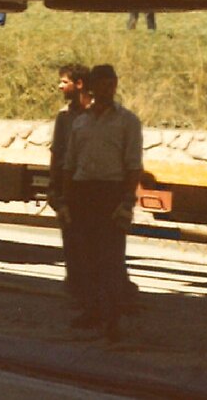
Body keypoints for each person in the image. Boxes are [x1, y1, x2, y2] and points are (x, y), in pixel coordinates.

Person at [61, 64, 143, 339]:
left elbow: (133, 165)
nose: (109, 90)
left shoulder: (127, 122)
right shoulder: (80, 122)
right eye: (103, 85)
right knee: (86, 256)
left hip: (111, 192)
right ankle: (92, 310)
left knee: (111, 257)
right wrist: (64, 199)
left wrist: (127, 201)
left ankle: (113, 318)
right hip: (84, 193)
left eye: (113, 84)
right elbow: (69, 164)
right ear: (92, 86)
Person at [48, 64, 90, 304]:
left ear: (79, 84)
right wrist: (53, 186)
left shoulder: (96, 115)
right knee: (71, 238)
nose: (60, 86)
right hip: (68, 184)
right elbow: (57, 152)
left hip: (91, 185)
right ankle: (75, 289)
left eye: (64, 82)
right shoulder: (63, 116)